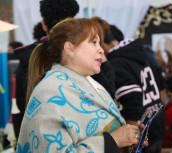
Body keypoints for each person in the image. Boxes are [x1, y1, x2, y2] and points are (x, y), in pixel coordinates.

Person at [17, 18, 147, 153]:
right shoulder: (49, 93)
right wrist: (114, 140)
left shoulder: (88, 83)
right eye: (94, 42)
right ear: (69, 48)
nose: (101, 50)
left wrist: (128, 139)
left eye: (100, 43)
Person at [92, 16, 166, 153]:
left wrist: (133, 138)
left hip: (141, 137)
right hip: (156, 126)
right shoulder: (140, 52)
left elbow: (132, 98)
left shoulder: (116, 63)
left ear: (101, 44)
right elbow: (162, 85)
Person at [12, 0, 80, 141]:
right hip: (81, 141)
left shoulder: (27, 59)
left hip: (38, 140)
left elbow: (19, 109)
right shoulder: (83, 57)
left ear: (43, 24)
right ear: (74, 22)